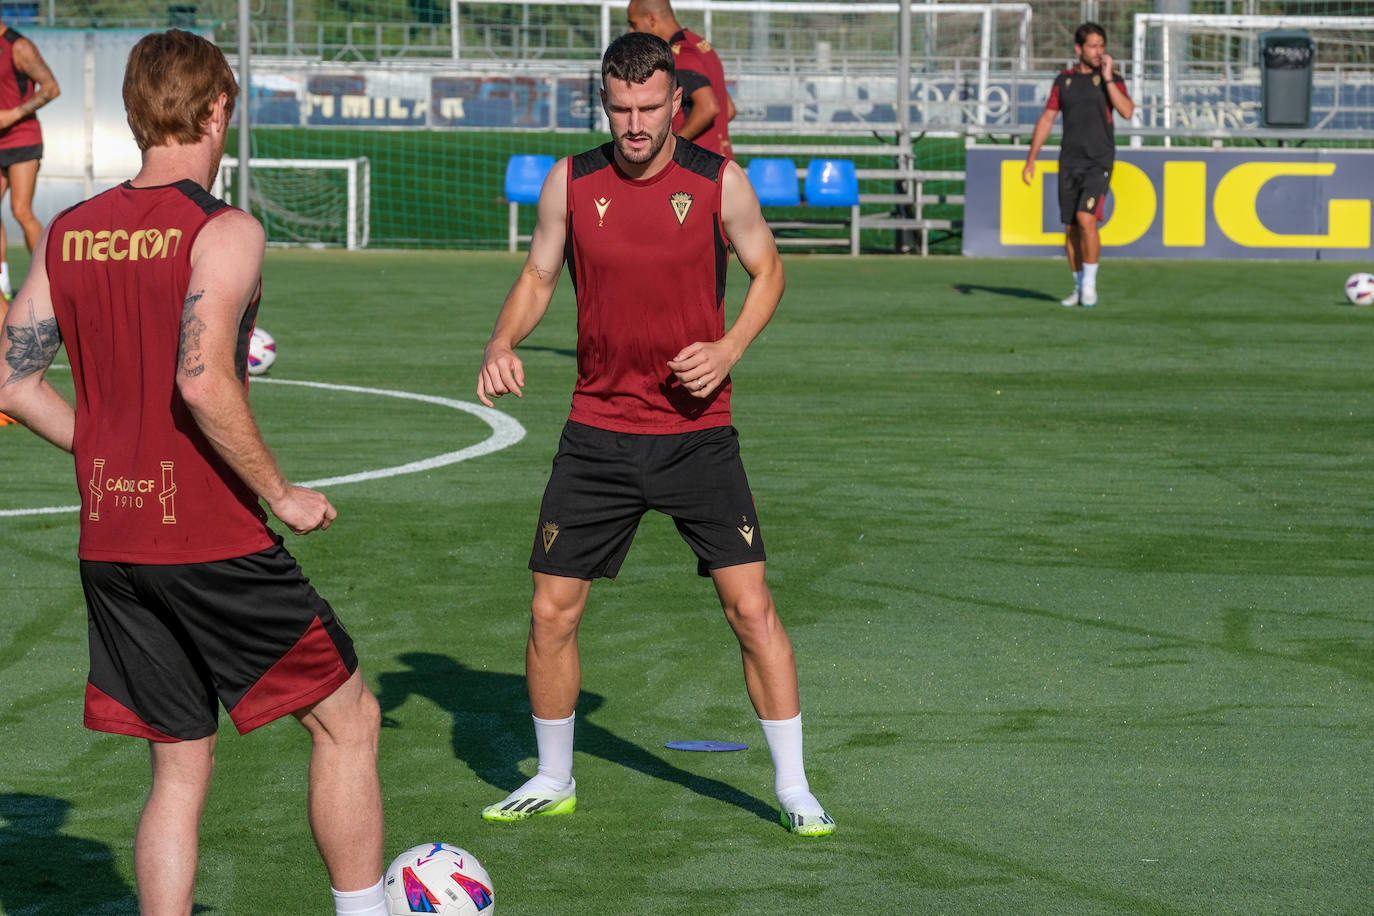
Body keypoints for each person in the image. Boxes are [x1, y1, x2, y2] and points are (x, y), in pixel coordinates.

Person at [0, 30, 388, 915]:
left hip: (112, 542)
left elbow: (12, 383)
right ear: (219, 110)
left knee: (179, 764)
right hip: (209, 538)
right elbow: (203, 378)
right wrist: (280, 492)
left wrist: (106, 451)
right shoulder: (224, 228)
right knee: (349, 720)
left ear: (135, 112)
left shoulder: (70, 232)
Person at [475, 31, 833, 838]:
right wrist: (501, 342)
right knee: (550, 612)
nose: (634, 125)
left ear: (677, 102)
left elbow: (769, 269)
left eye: (648, 108)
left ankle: (794, 786)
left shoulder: (718, 182)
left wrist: (730, 347)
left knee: (751, 609)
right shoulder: (571, 182)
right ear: (603, 104)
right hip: (596, 433)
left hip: (697, 433)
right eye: (620, 109)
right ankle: (554, 777)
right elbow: (538, 274)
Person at [1022, 22, 1133, 308]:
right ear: (1078, 48)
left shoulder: (1111, 78)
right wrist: (1031, 159)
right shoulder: (1064, 81)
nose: (1099, 52)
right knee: (1071, 228)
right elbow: (1047, 118)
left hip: (1099, 161)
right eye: (1093, 46)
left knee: (1086, 218)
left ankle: (1090, 286)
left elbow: (1127, 111)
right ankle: (1078, 285)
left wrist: (1108, 79)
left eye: (1102, 46)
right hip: (1069, 162)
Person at [627, 0, 735, 158]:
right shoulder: (700, 44)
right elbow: (728, 110)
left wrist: (669, 146)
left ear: (651, 19)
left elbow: (709, 107)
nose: (630, 31)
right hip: (721, 159)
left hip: (698, 163)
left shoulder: (679, 55)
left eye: (633, 24)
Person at [0, 15, 59, 299]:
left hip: (23, 138)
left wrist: (13, 115)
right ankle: (3, 283)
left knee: (20, 210)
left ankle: (49, 281)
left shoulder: (18, 46)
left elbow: (51, 87)